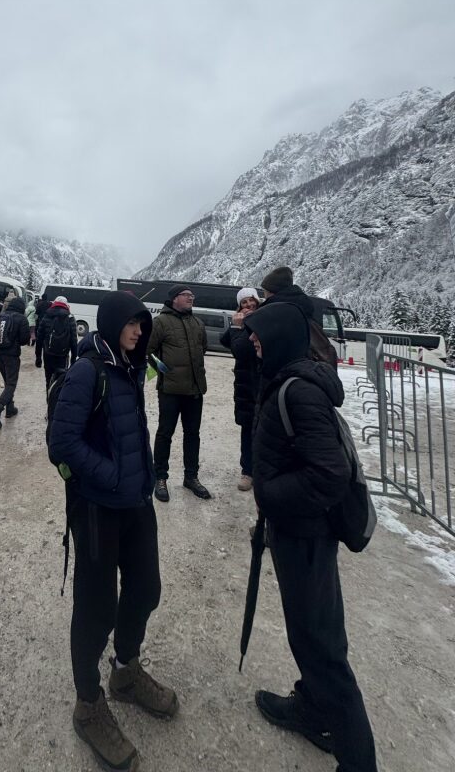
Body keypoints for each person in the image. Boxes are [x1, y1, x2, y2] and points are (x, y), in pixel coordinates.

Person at [243, 301, 377, 772]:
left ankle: (357, 763)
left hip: (305, 536)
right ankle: (312, 708)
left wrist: (269, 493)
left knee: (323, 649)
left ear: (281, 337)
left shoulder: (298, 391)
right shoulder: (287, 378)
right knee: (308, 635)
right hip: (298, 531)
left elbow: (329, 473)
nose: (252, 340)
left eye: (259, 333)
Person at [49, 291, 177, 772]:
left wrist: (140, 477)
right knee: (96, 608)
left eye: (143, 324)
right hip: (98, 508)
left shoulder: (130, 366)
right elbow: (62, 442)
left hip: (136, 503)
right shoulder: (88, 371)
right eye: (132, 323)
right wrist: (113, 476)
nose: (140, 331)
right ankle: (88, 704)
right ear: (110, 323)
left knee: (146, 589)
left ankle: (125, 671)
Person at [148, 285, 211, 502]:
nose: (191, 298)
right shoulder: (160, 322)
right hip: (170, 391)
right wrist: (163, 370)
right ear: (174, 298)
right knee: (165, 434)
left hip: (194, 390)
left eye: (192, 295)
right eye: (186, 295)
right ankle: (160, 478)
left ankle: (191, 477)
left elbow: (203, 348)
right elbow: (148, 351)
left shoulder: (197, 323)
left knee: (193, 434)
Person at [219, 288, 260, 490]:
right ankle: (247, 472)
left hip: (259, 383)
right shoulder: (242, 323)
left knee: (263, 430)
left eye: (252, 301)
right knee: (247, 429)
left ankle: (260, 472)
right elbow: (225, 340)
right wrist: (237, 326)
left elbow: (241, 350)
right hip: (245, 386)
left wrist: (239, 327)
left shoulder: (262, 321)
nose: (249, 305)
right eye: (244, 302)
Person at [0, 296, 30, 429]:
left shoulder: (1, 316)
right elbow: (24, 340)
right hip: (11, 355)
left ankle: (10, 408)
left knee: (7, 382)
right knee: (11, 383)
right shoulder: (21, 318)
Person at [35, 295, 78, 390]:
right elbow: (74, 340)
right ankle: (57, 398)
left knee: (48, 380)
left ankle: (49, 396)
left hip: (48, 354)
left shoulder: (47, 315)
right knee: (61, 381)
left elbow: (39, 338)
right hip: (63, 355)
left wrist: (38, 357)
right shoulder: (70, 318)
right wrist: (73, 358)